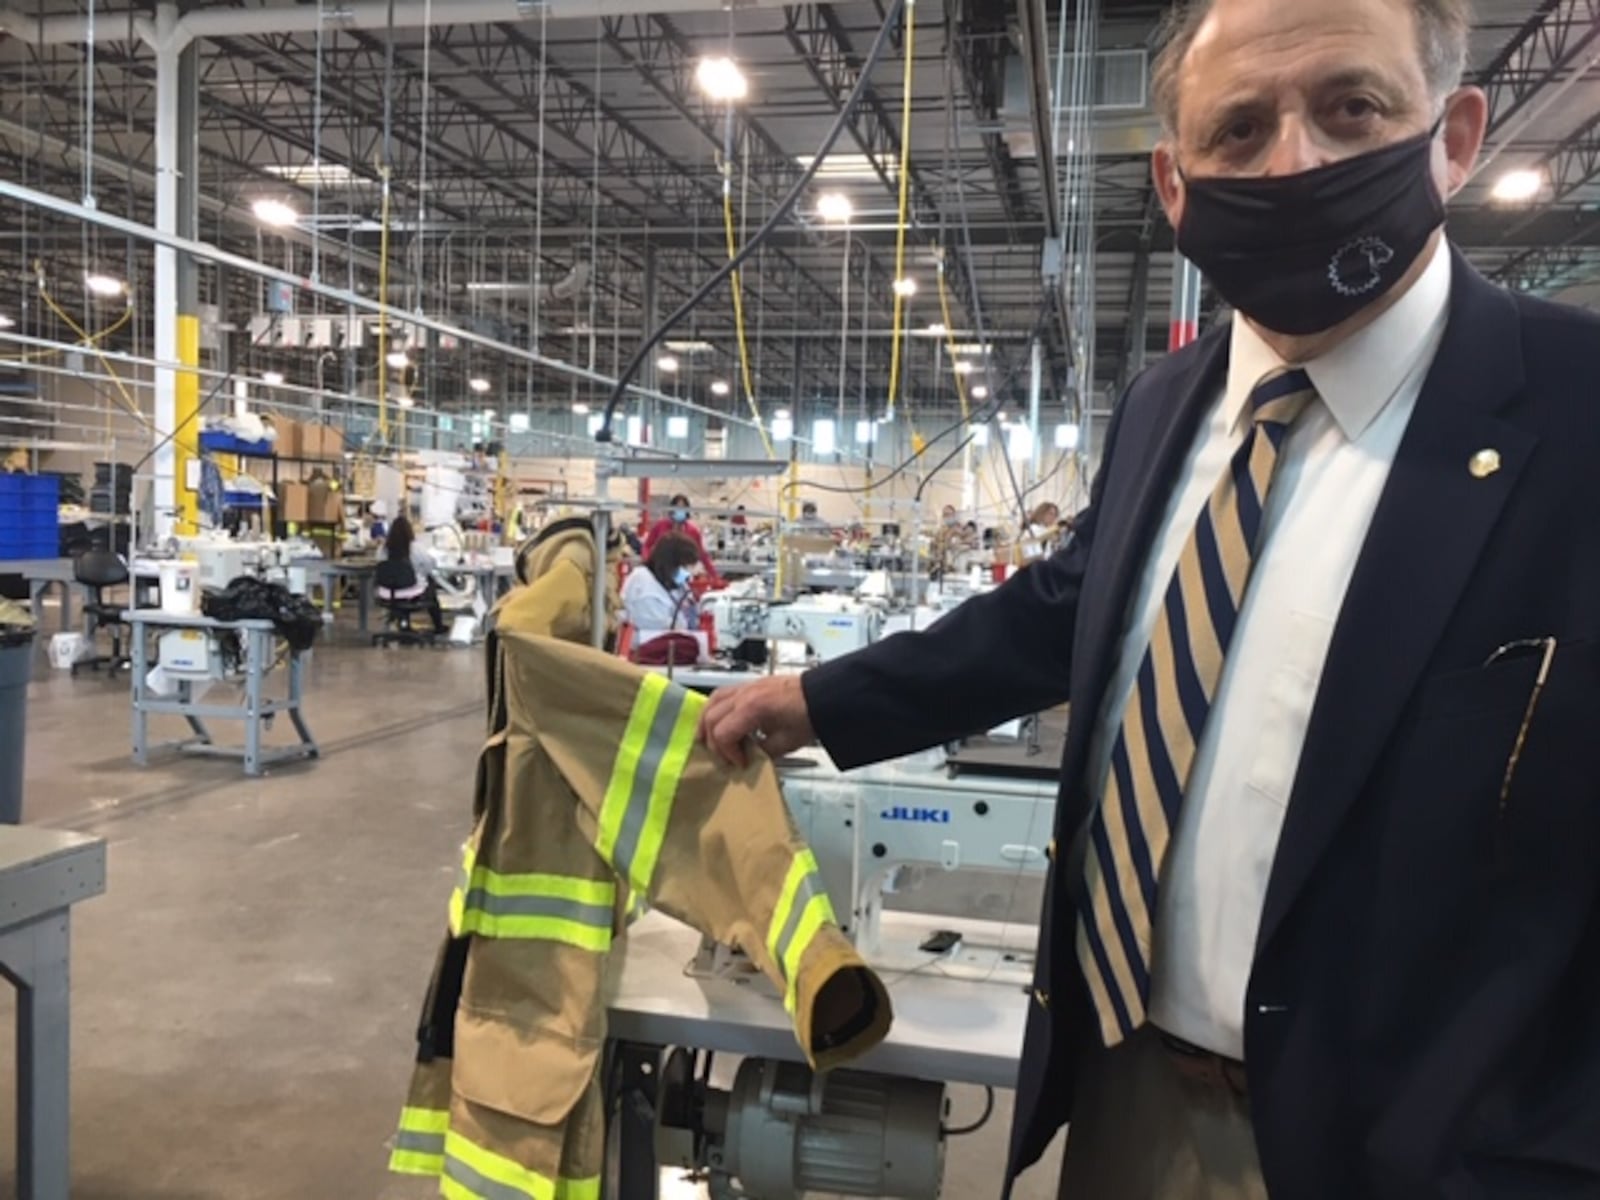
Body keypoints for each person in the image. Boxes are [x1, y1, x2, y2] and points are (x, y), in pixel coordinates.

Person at [700, 1, 1600, 1196]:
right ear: (1176, 187)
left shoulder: (1576, 417)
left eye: (1351, 107)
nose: (1296, 163)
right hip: (1126, 1097)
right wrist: (817, 699)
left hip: (1419, 1147)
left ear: (1455, 133)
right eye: (1239, 129)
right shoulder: (1168, 404)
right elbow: (1063, 613)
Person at [621, 533, 701, 651]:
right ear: (670, 563)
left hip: (665, 652)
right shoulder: (643, 583)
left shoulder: (672, 582)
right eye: (684, 567)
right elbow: (657, 626)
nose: (687, 573)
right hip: (644, 654)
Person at [376, 514, 445, 634]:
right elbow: (430, 565)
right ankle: (438, 626)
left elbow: (380, 566)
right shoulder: (415, 548)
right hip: (411, 595)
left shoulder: (382, 549)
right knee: (429, 583)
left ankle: (404, 624)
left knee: (404, 582)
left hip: (386, 594)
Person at [642, 494, 720, 583]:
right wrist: (648, 561)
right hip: (660, 569)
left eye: (683, 508)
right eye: (677, 507)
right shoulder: (660, 526)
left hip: (682, 573)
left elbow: (702, 555)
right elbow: (647, 546)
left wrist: (715, 576)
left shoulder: (693, 531)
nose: (680, 510)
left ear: (687, 511)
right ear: (671, 509)